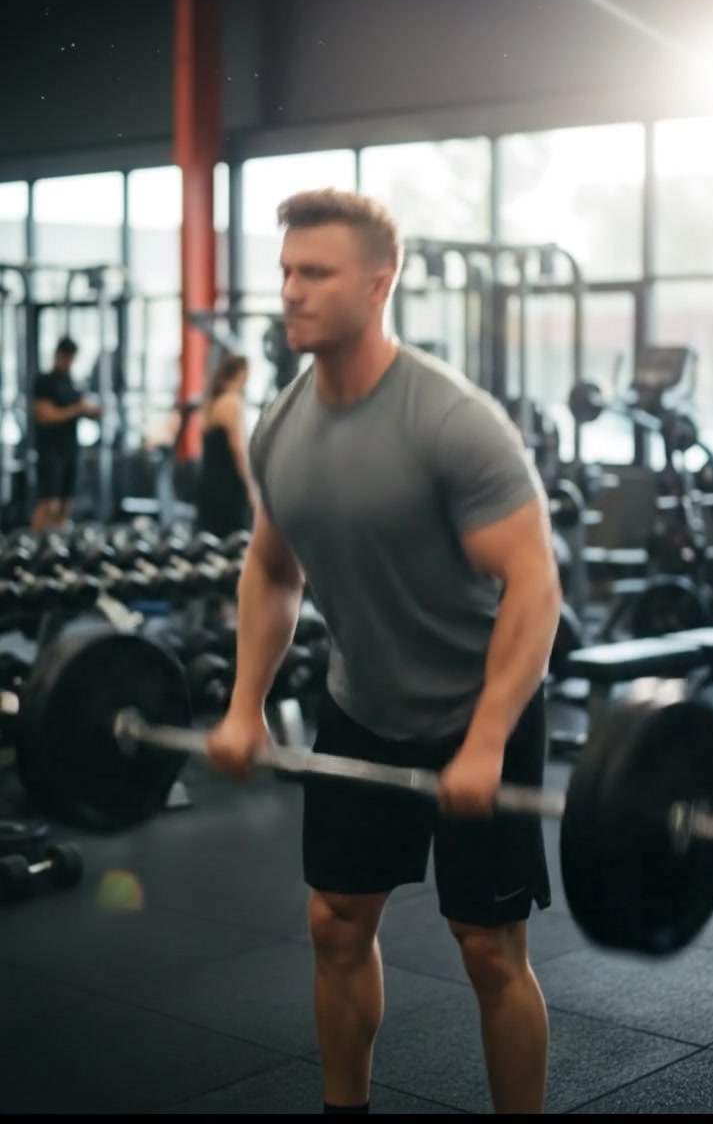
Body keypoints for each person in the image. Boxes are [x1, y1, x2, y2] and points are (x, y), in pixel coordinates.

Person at [207, 190, 562, 1115]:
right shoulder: (280, 428)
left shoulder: (453, 422)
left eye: (313, 273)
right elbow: (272, 570)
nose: (289, 292)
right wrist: (246, 703)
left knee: (487, 949)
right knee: (334, 924)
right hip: (361, 704)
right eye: (284, 271)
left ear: (378, 284)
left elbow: (534, 584)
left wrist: (485, 742)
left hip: (480, 705)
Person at [31, 337, 101, 532]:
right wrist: (77, 409)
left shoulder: (71, 382)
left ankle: (55, 545)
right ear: (59, 355)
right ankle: (34, 546)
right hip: (50, 450)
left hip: (71, 448)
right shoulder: (44, 381)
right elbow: (45, 416)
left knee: (66, 503)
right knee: (48, 503)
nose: (70, 362)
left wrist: (92, 411)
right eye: (68, 357)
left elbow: (82, 410)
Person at [196, 352, 257, 538]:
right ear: (241, 372)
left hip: (209, 483)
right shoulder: (232, 402)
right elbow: (238, 449)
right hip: (228, 487)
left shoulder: (213, 401)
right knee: (234, 540)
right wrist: (251, 487)